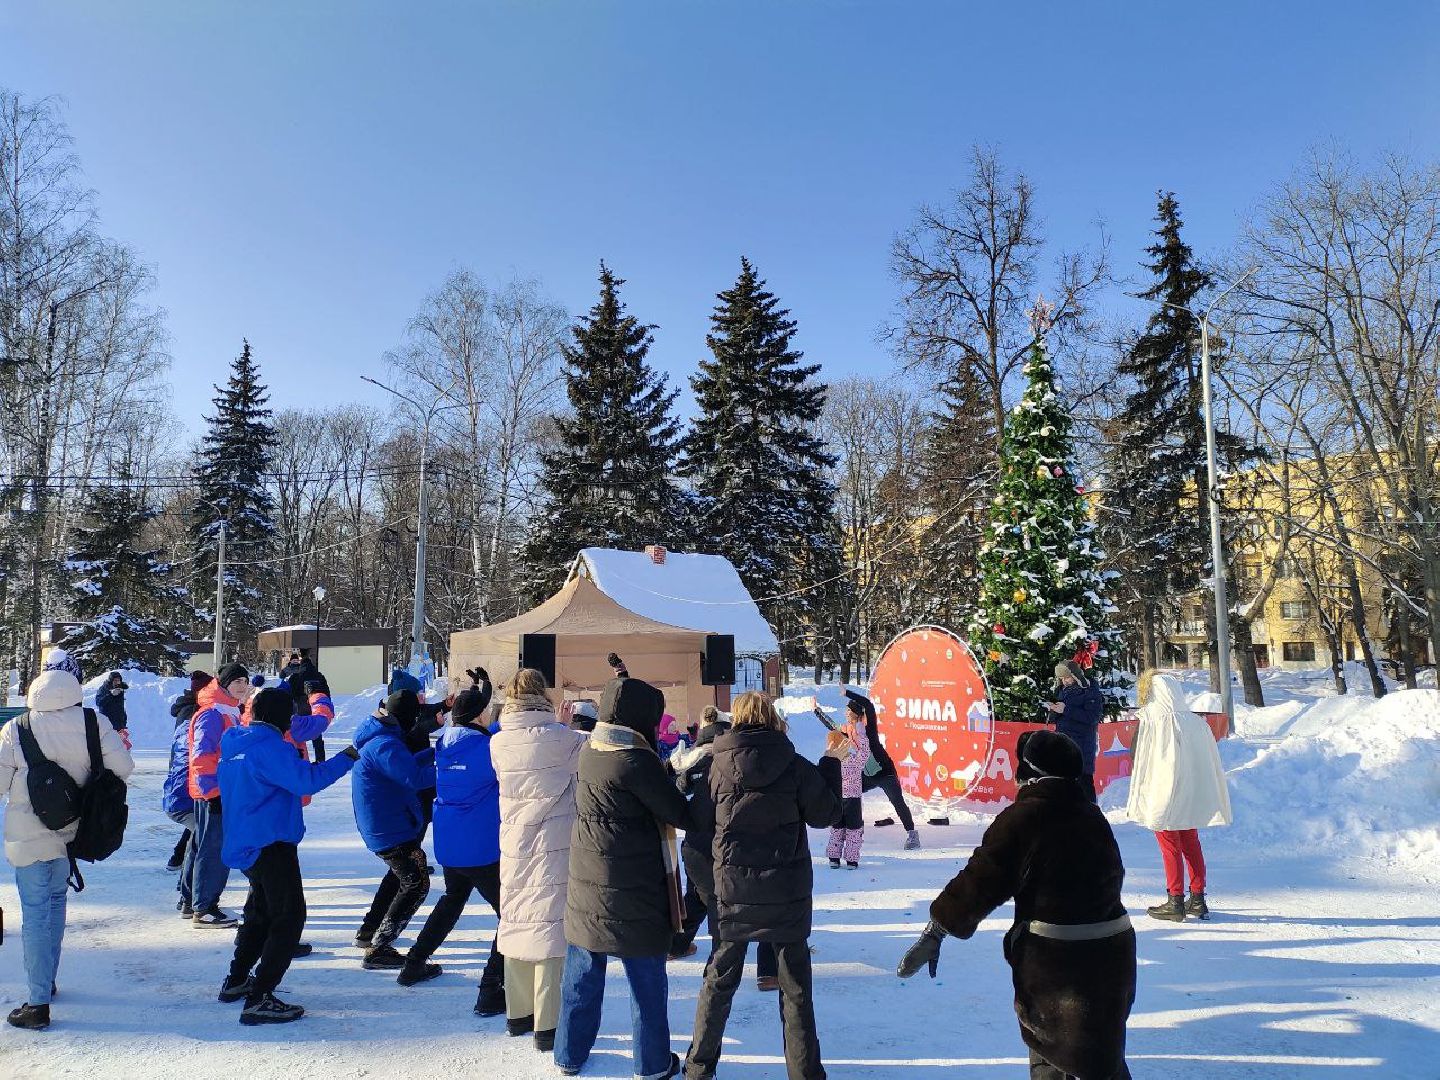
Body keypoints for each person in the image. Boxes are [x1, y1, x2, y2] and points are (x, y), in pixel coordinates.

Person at [897, 729, 1136, 1080]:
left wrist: (937, 929)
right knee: (1102, 1061)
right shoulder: (1091, 815)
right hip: (1113, 961)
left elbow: (982, 878)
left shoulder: (1025, 817)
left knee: (1053, 1058)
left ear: (1029, 774)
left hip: (1058, 968)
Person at [685, 691, 842, 1080]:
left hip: (732, 892)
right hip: (785, 891)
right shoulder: (793, 764)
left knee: (718, 985)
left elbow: (698, 830)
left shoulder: (714, 767)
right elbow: (827, 814)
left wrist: (710, 888)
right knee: (796, 992)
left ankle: (699, 1069)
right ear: (773, 718)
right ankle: (804, 1074)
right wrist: (830, 764)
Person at [555, 673, 690, 1080]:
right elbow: (678, 813)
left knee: (581, 975)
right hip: (634, 891)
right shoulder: (636, 759)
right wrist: (682, 777)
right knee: (646, 981)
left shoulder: (593, 748)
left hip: (588, 886)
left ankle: (568, 1055)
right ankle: (651, 1065)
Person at [0, 664, 135, 1029]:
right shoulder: (95, 722)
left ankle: (37, 1002)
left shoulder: (17, 728)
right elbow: (123, 767)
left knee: (35, 912)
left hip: (28, 833)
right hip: (73, 829)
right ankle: (47, 979)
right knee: (56, 903)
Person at [216, 688, 359, 1025]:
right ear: (282, 717)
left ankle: (237, 981)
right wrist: (347, 757)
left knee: (261, 915)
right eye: (291, 716)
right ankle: (260, 997)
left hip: (247, 842)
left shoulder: (236, 743)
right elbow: (307, 780)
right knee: (289, 917)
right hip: (271, 844)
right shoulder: (269, 747)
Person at [489, 668, 585, 1053]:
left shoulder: (498, 741)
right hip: (553, 840)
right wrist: (562, 727)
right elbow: (579, 759)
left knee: (516, 918)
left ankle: (518, 1014)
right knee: (549, 925)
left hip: (513, 838)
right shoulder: (563, 739)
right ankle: (547, 1025)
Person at [399, 670, 507, 1010]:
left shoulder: (446, 743)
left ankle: (414, 961)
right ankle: (490, 990)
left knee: (452, 900)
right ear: (478, 716)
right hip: (481, 847)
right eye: (487, 709)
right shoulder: (489, 748)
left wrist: (480, 690)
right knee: (513, 915)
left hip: (451, 844)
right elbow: (499, 743)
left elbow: (480, 730)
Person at [1127, 671, 1232, 922]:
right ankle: (1197, 898)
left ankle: (1175, 900)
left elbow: (1136, 755)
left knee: (1169, 843)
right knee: (1191, 842)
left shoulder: (1151, 719)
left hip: (1162, 789)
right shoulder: (1196, 722)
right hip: (1190, 790)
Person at [351, 688, 436, 968]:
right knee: (416, 884)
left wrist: (433, 753)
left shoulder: (382, 737)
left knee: (400, 878)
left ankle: (370, 932)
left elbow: (406, 766)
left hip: (386, 822)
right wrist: (451, 765)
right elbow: (413, 778)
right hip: (388, 826)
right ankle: (379, 947)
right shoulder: (385, 744)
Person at [187, 662, 254, 928]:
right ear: (224, 684)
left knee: (204, 846)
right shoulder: (213, 714)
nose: (242, 685)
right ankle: (203, 908)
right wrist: (212, 792)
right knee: (213, 849)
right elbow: (201, 755)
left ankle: (193, 901)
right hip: (214, 792)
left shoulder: (229, 711)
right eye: (237, 681)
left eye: (245, 681)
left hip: (223, 790)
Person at [845, 689, 921, 849]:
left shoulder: (868, 729)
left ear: (856, 713)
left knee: (897, 802)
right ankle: (857, 828)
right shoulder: (850, 732)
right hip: (868, 775)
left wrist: (847, 693)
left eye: (848, 711)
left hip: (885, 773)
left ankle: (913, 834)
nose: (846, 714)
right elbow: (830, 726)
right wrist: (817, 710)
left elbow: (868, 705)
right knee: (852, 791)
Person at [164, 671, 212, 874]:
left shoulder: (188, 707)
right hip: (186, 771)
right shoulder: (193, 711)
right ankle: (188, 875)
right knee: (200, 822)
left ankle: (178, 857)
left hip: (186, 769)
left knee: (199, 818)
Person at [1046, 660, 1104, 803]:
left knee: (1084, 784)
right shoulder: (1061, 690)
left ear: (1076, 675)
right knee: (1065, 785)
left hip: (1082, 746)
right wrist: (1053, 710)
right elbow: (1059, 718)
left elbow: (1093, 717)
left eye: (1067, 678)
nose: (1064, 681)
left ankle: (1092, 818)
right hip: (1063, 745)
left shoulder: (1089, 691)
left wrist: (1066, 709)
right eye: (1061, 679)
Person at [825, 703, 872, 869]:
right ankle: (851, 860)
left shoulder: (831, 763)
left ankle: (833, 858)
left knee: (837, 829)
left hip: (837, 800)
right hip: (853, 801)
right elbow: (865, 751)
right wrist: (860, 729)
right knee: (853, 829)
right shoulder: (854, 761)